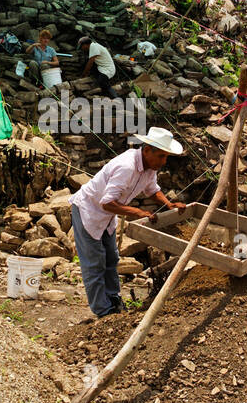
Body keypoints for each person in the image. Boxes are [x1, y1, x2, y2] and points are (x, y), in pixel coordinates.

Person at [69, 127, 186, 318]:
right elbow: (107, 203)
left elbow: (152, 190)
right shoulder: (127, 167)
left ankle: (114, 301)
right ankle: (103, 311)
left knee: (111, 258)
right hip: (88, 211)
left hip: (106, 216)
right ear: (147, 150)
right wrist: (139, 212)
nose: (164, 162)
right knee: (94, 263)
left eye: (166, 157)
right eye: (162, 156)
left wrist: (168, 204)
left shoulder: (149, 167)